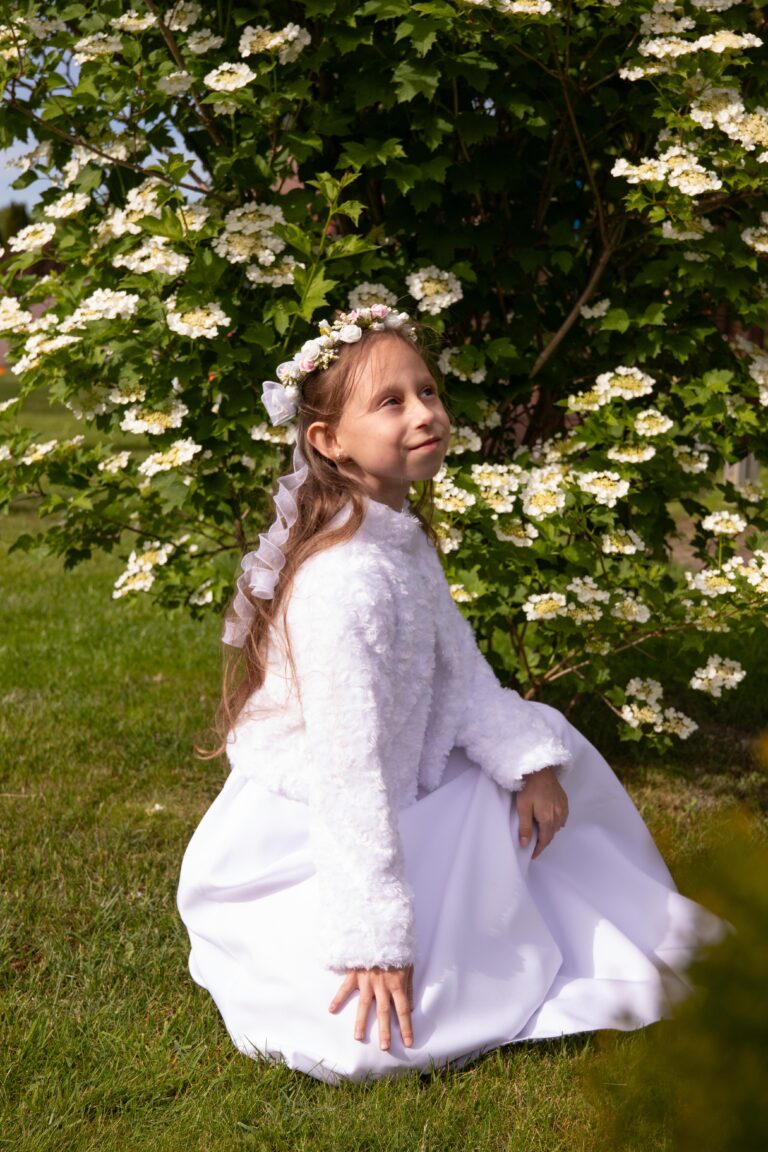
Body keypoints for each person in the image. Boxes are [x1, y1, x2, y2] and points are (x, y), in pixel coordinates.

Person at [177, 303, 721, 1084]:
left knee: (549, 754)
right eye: (390, 402)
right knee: (371, 1045)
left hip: (401, 782)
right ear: (328, 441)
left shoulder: (398, 542)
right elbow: (348, 774)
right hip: (322, 827)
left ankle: (574, 914)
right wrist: (375, 942)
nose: (424, 412)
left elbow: (460, 675)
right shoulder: (343, 582)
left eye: (427, 391)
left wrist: (527, 762)